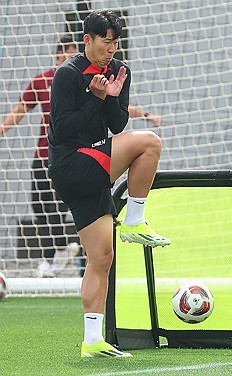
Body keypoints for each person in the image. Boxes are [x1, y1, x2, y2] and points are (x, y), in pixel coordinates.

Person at [48, 10, 170, 358]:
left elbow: (116, 126)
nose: (112, 48)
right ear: (87, 40)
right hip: (72, 163)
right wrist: (96, 98)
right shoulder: (67, 74)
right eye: (106, 41)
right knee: (149, 142)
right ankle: (135, 218)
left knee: (102, 256)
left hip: (94, 164)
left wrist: (113, 96)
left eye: (116, 41)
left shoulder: (118, 70)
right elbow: (64, 129)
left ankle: (91, 340)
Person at [0, 34, 162, 278]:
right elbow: (21, 108)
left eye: (73, 52)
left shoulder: (98, 76)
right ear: (57, 55)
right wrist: (2, 129)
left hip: (85, 155)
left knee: (79, 213)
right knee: (42, 207)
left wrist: (146, 114)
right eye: (66, 53)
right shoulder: (47, 79)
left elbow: (119, 110)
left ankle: (71, 253)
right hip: (47, 155)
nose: (70, 57)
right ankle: (53, 255)